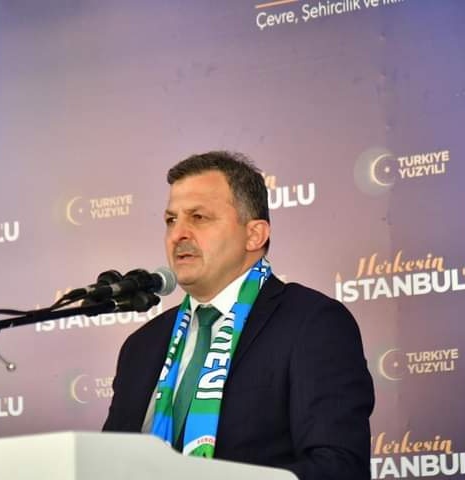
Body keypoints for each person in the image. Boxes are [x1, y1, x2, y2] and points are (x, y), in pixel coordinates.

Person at [103, 151, 375, 480]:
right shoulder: (141, 346)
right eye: (171, 220)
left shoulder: (312, 324)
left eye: (198, 217)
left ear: (254, 234)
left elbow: (339, 467)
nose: (178, 234)